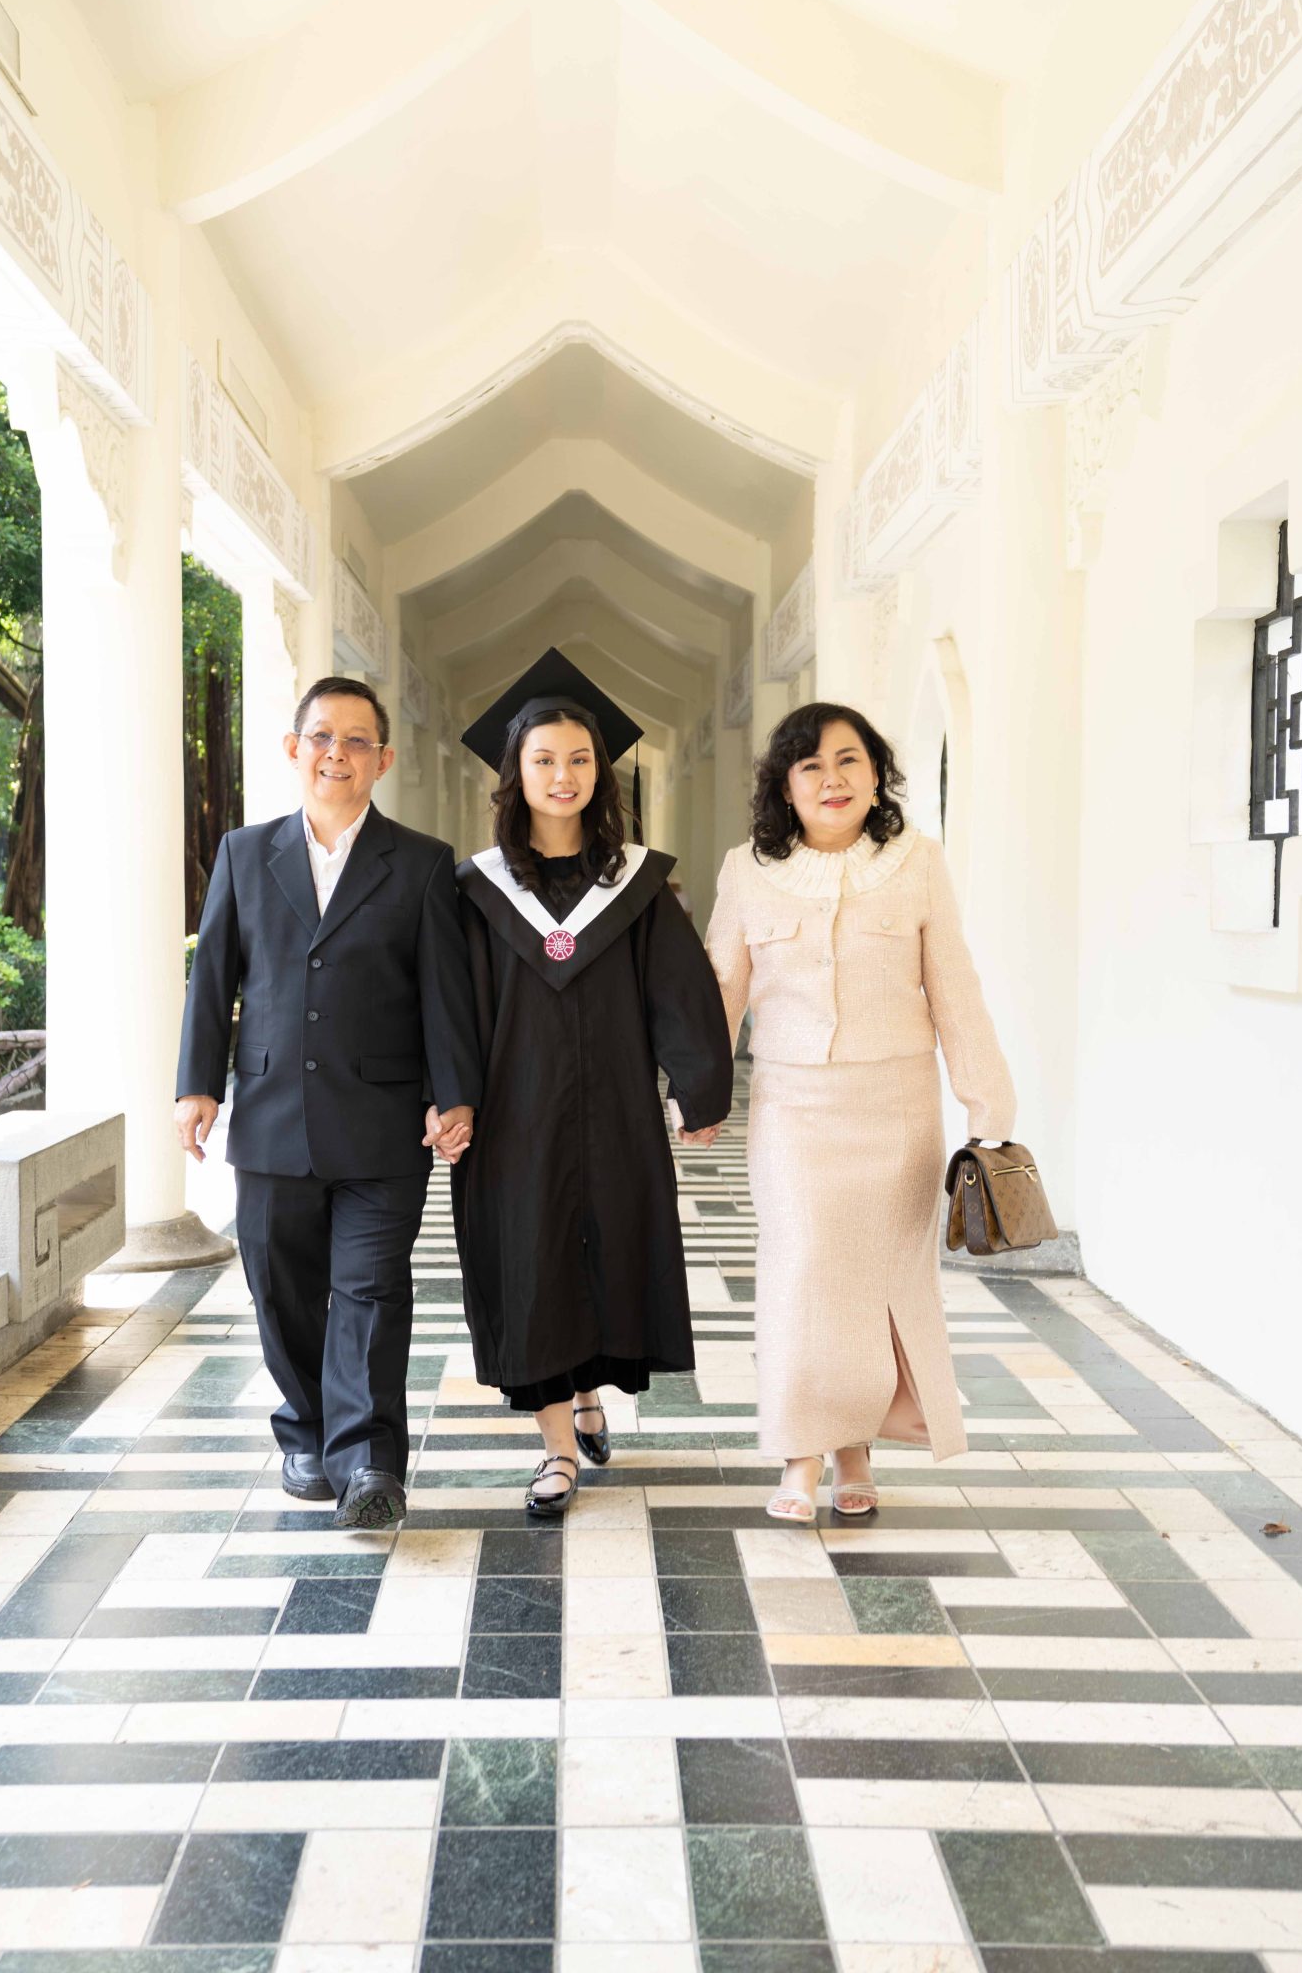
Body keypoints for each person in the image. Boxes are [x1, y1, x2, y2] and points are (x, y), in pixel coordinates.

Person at [176, 676, 481, 1530]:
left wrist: (451, 1096)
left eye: (356, 741)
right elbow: (213, 980)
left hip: (382, 1124)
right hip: (270, 1117)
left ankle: (369, 1463)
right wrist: (197, 1085)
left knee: (371, 1293)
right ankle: (306, 1430)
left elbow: (443, 993)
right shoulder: (244, 853)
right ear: (293, 748)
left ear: (383, 759)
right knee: (281, 1289)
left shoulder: (421, 863)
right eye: (321, 737)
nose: (336, 754)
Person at [704, 703, 1016, 1522]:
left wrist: (988, 1104)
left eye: (849, 760)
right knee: (803, 1270)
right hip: (793, 1107)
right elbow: (721, 989)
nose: (832, 779)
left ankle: (854, 1450)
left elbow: (955, 988)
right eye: (810, 765)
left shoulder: (918, 864)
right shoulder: (746, 870)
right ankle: (800, 1455)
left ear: (877, 775)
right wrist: (695, 1093)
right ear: (785, 787)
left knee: (877, 1282)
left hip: (897, 1109)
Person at [445, 650, 733, 1519]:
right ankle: (557, 1448)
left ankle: (587, 1390)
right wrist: (450, 1095)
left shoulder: (635, 885)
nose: (562, 775)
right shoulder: (477, 891)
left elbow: (679, 989)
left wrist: (699, 1086)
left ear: (599, 772)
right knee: (530, 1260)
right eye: (543, 760)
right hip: (514, 1111)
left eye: (578, 759)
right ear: (516, 772)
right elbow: (451, 1004)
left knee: (607, 1249)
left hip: (615, 1107)